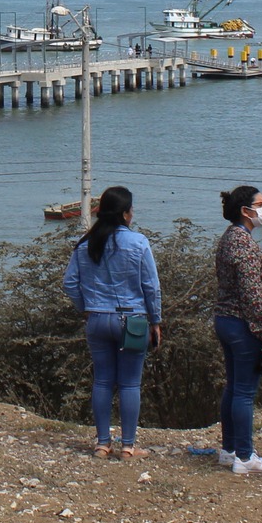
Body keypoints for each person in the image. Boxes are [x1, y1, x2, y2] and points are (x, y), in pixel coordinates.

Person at [63, 185, 163, 459]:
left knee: (103, 381)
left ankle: (102, 444)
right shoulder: (138, 242)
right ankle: (128, 446)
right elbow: (151, 287)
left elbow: (69, 283)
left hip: (97, 318)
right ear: (125, 213)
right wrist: (156, 321)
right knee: (130, 384)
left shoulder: (86, 243)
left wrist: (85, 308)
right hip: (133, 321)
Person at [212, 185, 262, 474]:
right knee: (244, 392)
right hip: (243, 325)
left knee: (233, 387)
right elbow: (253, 293)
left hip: (225, 319)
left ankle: (229, 450)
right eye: (261, 204)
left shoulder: (229, 238)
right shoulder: (244, 245)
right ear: (245, 210)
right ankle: (244, 456)